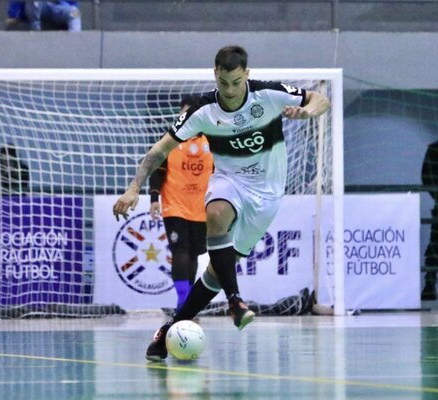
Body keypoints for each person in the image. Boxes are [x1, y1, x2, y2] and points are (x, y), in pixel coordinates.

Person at [112, 45, 330, 361]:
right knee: (214, 213)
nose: (229, 90)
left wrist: (308, 111)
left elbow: (319, 99)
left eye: (236, 82)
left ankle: (169, 328)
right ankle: (235, 300)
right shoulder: (202, 111)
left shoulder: (268, 95)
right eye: (224, 82)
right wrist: (133, 189)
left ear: (247, 75)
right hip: (229, 182)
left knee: (214, 273)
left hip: (267, 196)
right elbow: (158, 151)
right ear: (215, 74)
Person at [149, 94, 214, 312]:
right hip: (174, 206)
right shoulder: (169, 140)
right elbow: (157, 170)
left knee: (195, 254)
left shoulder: (212, 140)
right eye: (184, 113)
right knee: (181, 252)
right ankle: (183, 302)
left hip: (202, 208)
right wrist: (154, 198)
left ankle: (187, 302)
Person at [422, 140, 438, 300]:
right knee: (435, 245)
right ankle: (430, 283)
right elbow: (427, 177)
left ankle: (430, 283)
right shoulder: (434, 148)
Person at [5, 1, 81, 32]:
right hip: (35, 7)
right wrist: (14, 14)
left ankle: (75, 40)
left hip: (56, 7)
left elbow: (72, 4)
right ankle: (36, 33)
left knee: (75, 12)